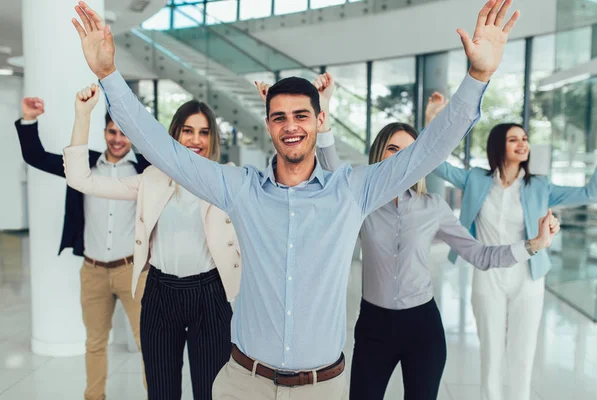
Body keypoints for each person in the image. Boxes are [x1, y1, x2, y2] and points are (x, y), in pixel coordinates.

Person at [71, 1, 519, 397]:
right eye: (280, 117)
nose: (291, 126)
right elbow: (162, 149)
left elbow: (426, 151)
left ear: (319, 120)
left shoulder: (352, 190)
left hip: (319, 387)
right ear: (268, 126)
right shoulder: (240, 189)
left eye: (301, 115)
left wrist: (478, 77)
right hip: (243, 382)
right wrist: (109, 75)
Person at [278, 73, 559, 400]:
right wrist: (323, 110)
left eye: (409, 152)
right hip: (373, 328)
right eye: (392, 149)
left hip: (423, 329)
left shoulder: (433, 208)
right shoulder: (360, 203)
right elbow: (330, 168)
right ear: (379, 154)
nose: (400, 158)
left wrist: (534, 245)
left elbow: (481, 255)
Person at [63, 84, 241, 399]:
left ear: (213, 137)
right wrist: (82, 115)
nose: (195, 140)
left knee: (210, 391)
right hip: (159, 294)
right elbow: (81, 180)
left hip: (210, 296)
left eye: (203, 132)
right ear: (174, 134)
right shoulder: (151, 179)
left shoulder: (226, 179)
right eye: (187, 130)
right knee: (160, 391)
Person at [427, 95, 597, 400]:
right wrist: (432, 119)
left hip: (528, 275)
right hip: (488, 273)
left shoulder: (541, 186)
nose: (523, 144)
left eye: (525, 138)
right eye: (513, 139)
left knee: (522, 355)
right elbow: (435, 163)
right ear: (498, 145)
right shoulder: (476, 179)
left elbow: (591, 192)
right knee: (491, 352)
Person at [14, 96, 149, 400]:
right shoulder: (82, 164)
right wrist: (29, 119)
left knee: (149, 345)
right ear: (104, 133)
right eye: (112, 132)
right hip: (93, 272)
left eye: (124, 133)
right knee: (95, 343)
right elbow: (35, 156)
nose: (117, 139)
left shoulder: (147, 170)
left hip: (133, 271)